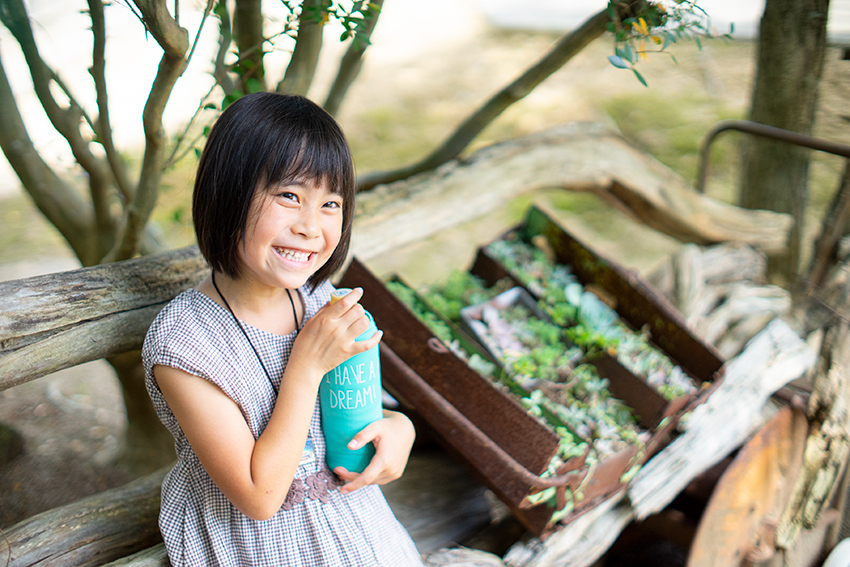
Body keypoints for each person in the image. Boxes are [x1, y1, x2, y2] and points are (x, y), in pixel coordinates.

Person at [142, 92, 423, 566]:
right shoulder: (185, 344)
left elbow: (361, 412)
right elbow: (259, 497)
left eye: (330, 203)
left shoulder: (320, 299)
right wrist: (305, 368)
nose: (311, 227)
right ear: (228, 194)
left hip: (363, 539)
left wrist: (399, 429)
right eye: (289, 196)